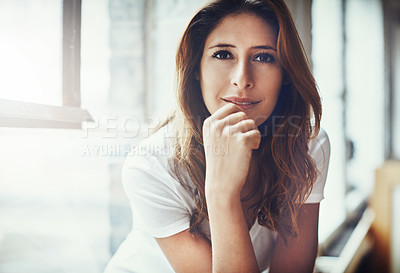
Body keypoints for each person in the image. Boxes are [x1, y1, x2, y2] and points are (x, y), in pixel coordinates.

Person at [105, 0, 330, 272]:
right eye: (223, 55)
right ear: (196, 69)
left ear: (286, 74)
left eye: (263, 57)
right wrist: (221, 192)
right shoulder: (152, 166)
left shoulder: (306, 146)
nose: (242, 79)